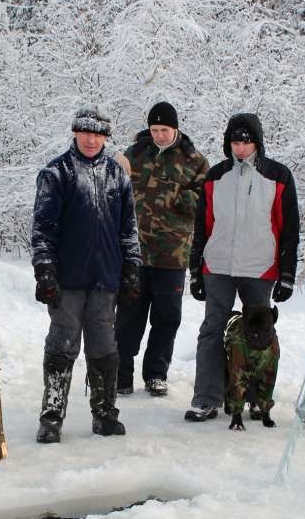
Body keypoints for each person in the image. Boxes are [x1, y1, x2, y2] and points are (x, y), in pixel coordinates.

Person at [31, 104, 141, 443]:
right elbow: (43, 230)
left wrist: (132, 267)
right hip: (68, 280)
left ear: (106, 137)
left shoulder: (117, 175)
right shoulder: (56, 173)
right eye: (86, 133)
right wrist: (45, 269)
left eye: (98, 134)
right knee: (62, 345)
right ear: (75, 133)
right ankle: (52, 416)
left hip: (106, 278)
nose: (92, 140)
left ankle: (105, 411)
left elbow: (129, 228)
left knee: (105, 347)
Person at [186, 112, 299, 422]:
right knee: (211, 330)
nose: (240, 148)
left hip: (260, 267)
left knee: (259, 335)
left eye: (246, 142)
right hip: (218, 265)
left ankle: (253, 397)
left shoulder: (278, 176)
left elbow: (289, 228)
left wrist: (287, 273)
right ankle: (206, 397)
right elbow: (203, 226)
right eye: (235, 141)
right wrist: (196, 269)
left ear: (257, 143)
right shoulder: (215, 177)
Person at [115, 102, 209, 397]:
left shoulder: (193, 160)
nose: (159, 135)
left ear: (175, 128)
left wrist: (179, 198)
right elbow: (113, 188)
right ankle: (121, 373)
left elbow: (206, 200)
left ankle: (156, 373)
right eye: (155, 130)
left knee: (167, 318)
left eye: (164, 130)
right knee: (129, 316)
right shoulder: (134, 155)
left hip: (172, 254)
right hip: (134, 252)